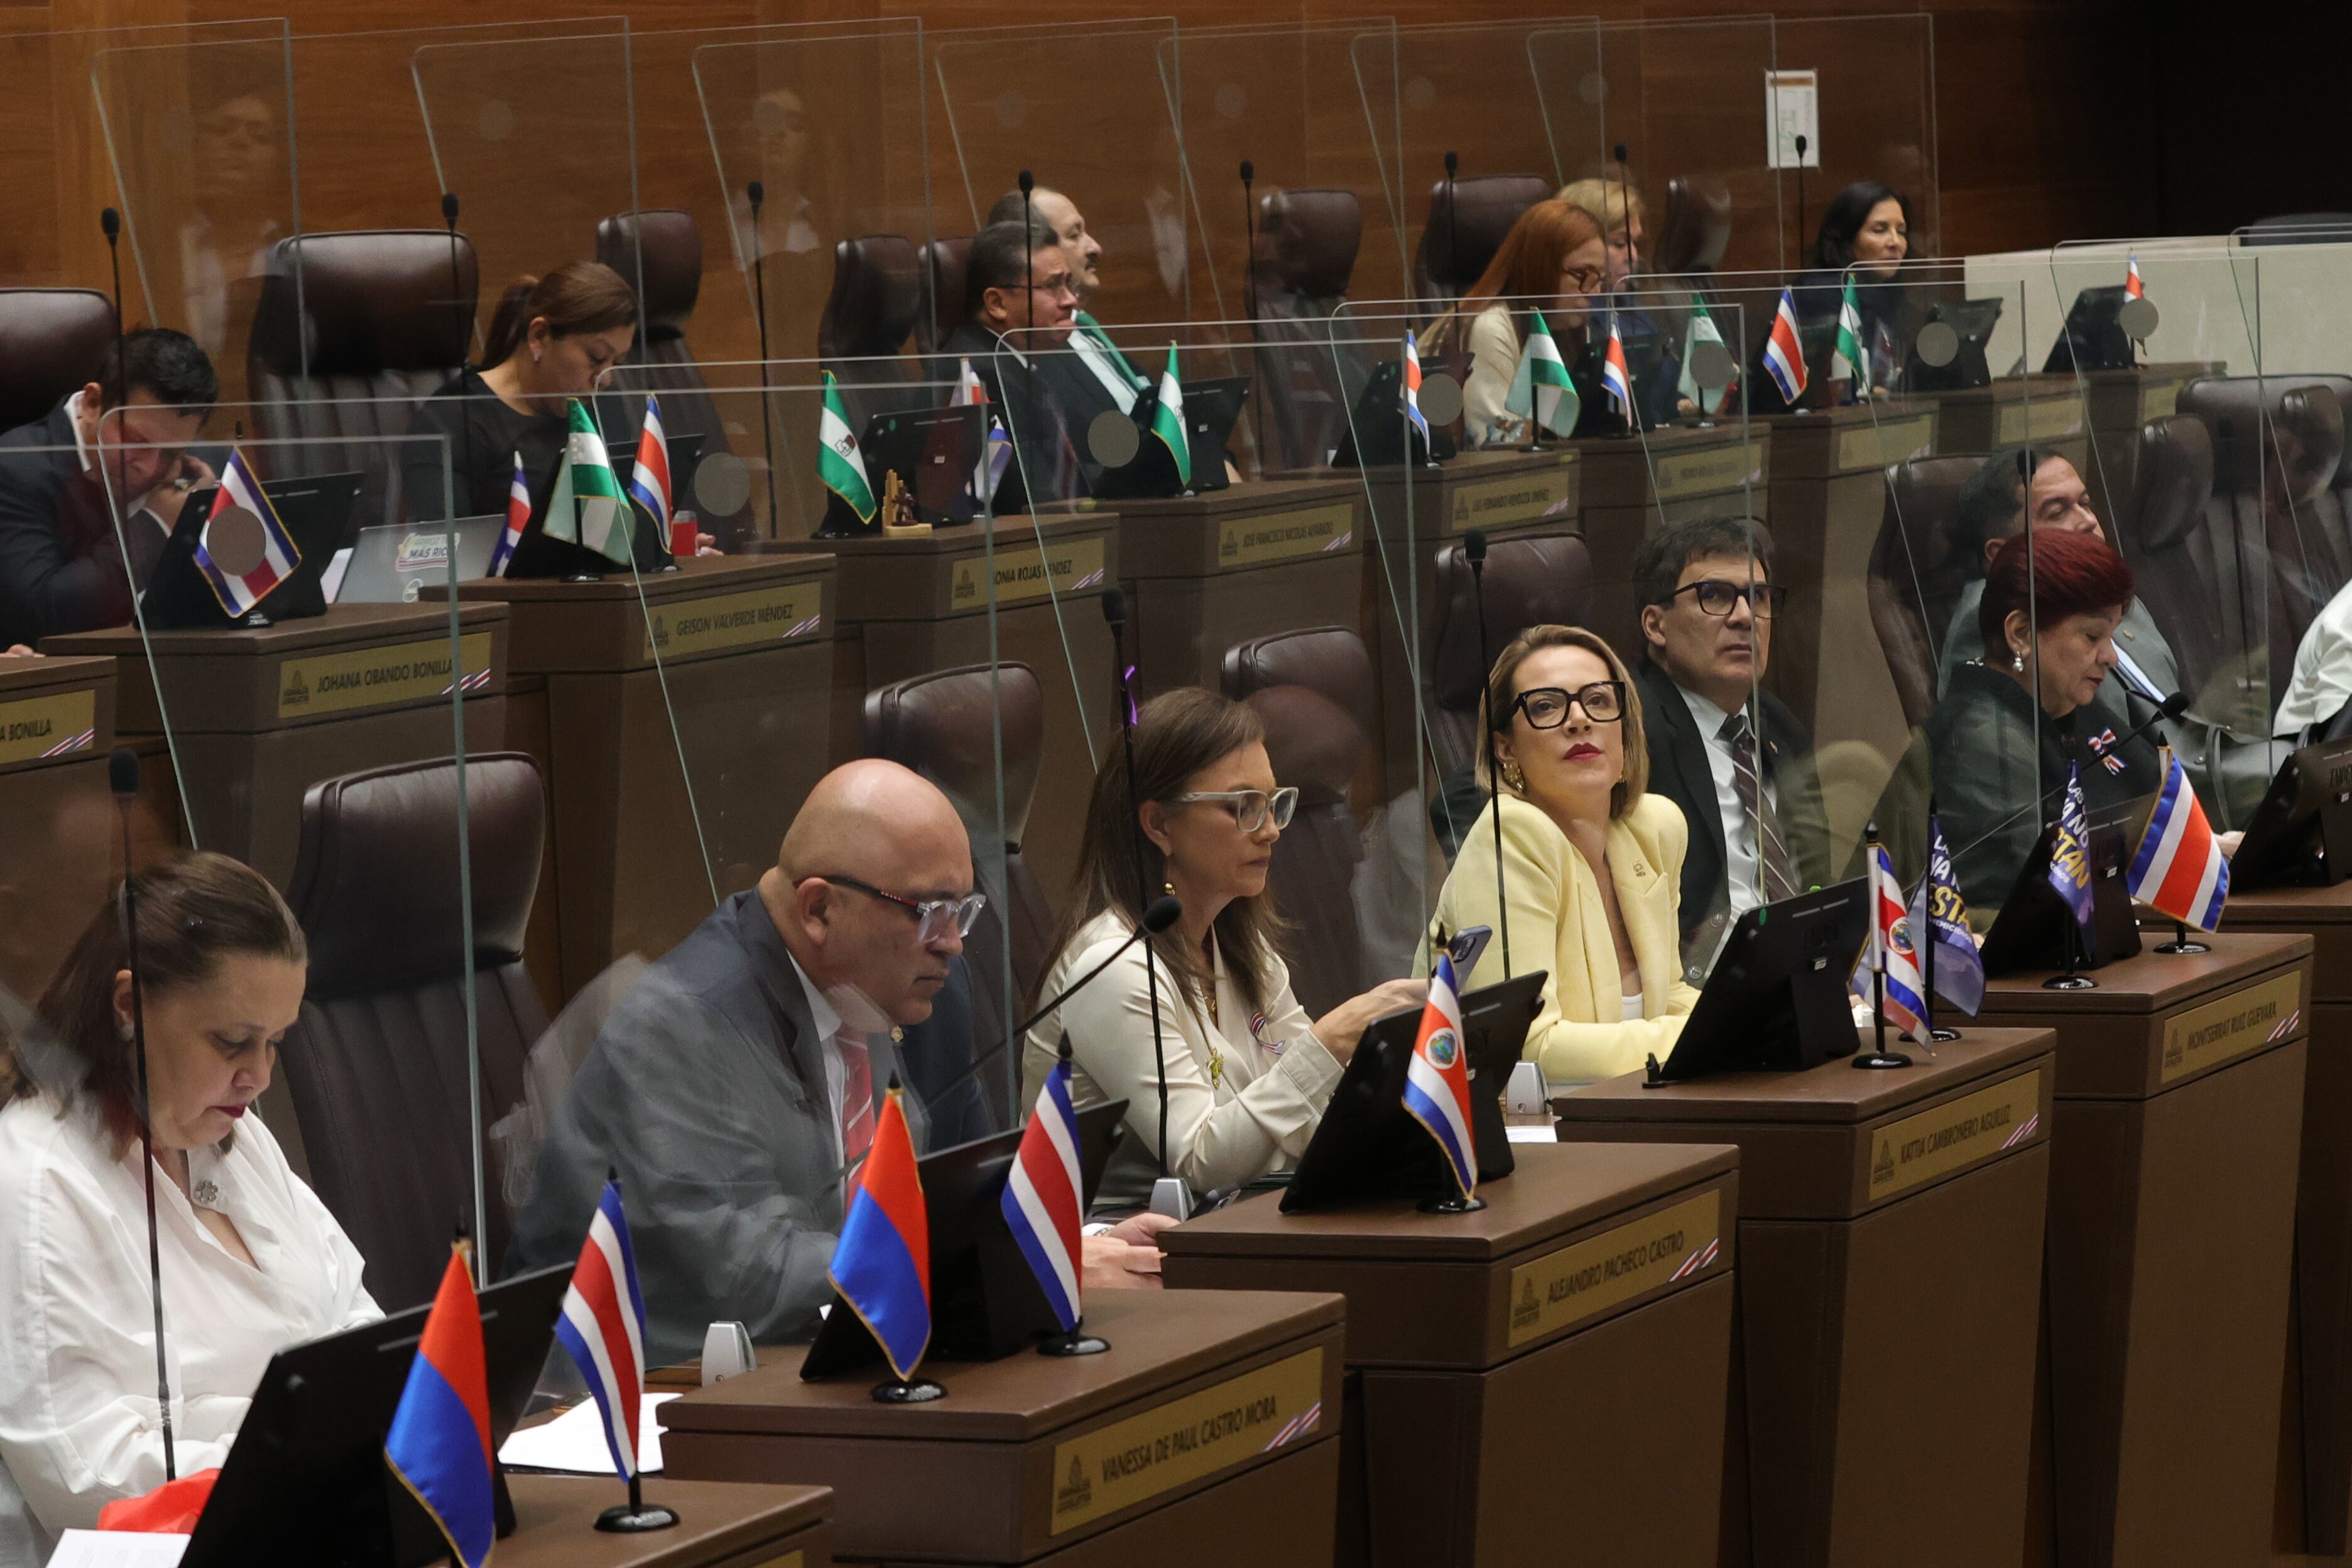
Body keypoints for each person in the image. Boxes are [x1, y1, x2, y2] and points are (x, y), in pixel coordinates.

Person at [508, 760, 1160, 1365]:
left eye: (964, 910)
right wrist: (1015, 1263)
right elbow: (748, 1271)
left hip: (815, 1359)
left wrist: (1062, 1235)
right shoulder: (679, 1026)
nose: (955, 944)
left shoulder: (867, 989)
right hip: (634, 1398)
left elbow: (932, 1197)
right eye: (931, 912)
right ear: (818, 908)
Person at [0, 854, 377, 1552]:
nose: (258, 1075)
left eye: (276, 1042)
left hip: (310, 1526)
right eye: (232, 1041)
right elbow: (80, 1475)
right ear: (128, 1007)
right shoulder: (32, 1180)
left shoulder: (234, 1136)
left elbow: (355, 1322)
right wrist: (296, 1450)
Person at [1023, 689, 1424, 1207]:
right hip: (1114, 1258)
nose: (1273, 831)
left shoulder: (1240, 944)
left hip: (1228, 1224)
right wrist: (1330, 1044)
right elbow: (1200, 1160)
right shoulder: (1113, 966)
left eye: (1275, 804)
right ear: (1159, 825)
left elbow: (1313, 1115)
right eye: (1244, 809)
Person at [1428, 625, 1701, 1085]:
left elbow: (1670, 995)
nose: (1579, 720)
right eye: (1546, 707)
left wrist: (1758, 1017)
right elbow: (1529, 1046)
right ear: (1506, 748)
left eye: (1598, 700)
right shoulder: (1509, 837)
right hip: (1528, 1133)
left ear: (1625, 731)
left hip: (1632, 1111)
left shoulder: (1654, 829)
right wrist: (1700, 1038)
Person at [1877, 530, 2162, 913]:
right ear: (2021, 634)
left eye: (2111, 636)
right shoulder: (1984, 739)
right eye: (2093, 635)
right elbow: (2017, 910)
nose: (2110, 657)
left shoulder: (2069, 705)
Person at [1630, 517, 1831, 983]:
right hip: (1697, 994)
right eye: (1715, 596)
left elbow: (1816, 877)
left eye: (1757, 597)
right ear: (1655, 626)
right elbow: (1479, 795)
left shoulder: (1779, 725)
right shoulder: (1628, 724)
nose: (1744, 617)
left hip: (1799, 978)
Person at [0, 329, 218, 649]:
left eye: (171, 452)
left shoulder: (201, 469)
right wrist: (157, 524)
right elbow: (42, 617)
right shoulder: (15, 471)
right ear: (92, 403)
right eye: (136, 441)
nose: (149, 467)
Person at [402, 261, 639, 540]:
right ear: (539, 336)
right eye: (597, 358)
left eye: (617, 364)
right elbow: (443, 558)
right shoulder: (452, 421)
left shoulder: (601, 407)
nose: (606, 380)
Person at [1420, 199, 1613, 447]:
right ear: (1539, 267)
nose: (1593, 291)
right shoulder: (1490, 326)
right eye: (1582, 275)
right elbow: (1494, 443)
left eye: (1599, 278)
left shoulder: (1562, 327)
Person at [938, 219, 1089, 509]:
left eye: (1068, 284)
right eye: (1053, 286)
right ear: (997, 303)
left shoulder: (1016, 366)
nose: (1070, 301)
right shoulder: (978, 378)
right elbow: (1028, 500)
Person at [1751, 181, 1916, 411]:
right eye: (1879, 230)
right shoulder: (1822, 296)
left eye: (1901, 231)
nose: (1895, 242)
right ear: (1846, 239)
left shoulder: (1883, 295)